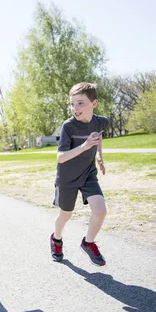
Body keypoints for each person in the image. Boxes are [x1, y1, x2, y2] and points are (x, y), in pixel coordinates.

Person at [50, 82, 109, 266]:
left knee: (100, 211)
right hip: (67, 178)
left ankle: (88, 242)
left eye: (80, 103)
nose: (75, 108)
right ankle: (56, 239)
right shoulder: (69, 126)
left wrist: (99, 154)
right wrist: (84, 147)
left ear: (94, 104)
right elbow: (60, 157)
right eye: (72, 104)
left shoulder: (101, 122)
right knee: (66, 215)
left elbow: (97, 136)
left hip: (88, 173)